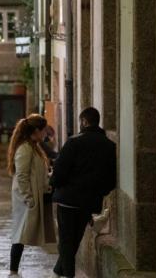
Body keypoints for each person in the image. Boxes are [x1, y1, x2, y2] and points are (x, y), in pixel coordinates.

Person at [50, 108, 116, 278]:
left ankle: (68, 275)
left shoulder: (74, 142)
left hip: (68, 200)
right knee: (75, 240)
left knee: (66, 241)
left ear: (84, 121)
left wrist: (55, 185)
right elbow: (111, 177)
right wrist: (99, 192)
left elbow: (59, 171)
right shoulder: (109, 146)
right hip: (89, 201)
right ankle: (58, 272)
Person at [8, 114, 53, 277]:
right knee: (20, 234)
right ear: (36, 130)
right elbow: (22, 176)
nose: (45, 134)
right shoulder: (25, 148)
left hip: (32, 195)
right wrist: (29, 199)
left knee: (22, 233)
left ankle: (13, 270)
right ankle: (13, 271)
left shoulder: (33, 146)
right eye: (43, 131)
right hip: (26, 199)